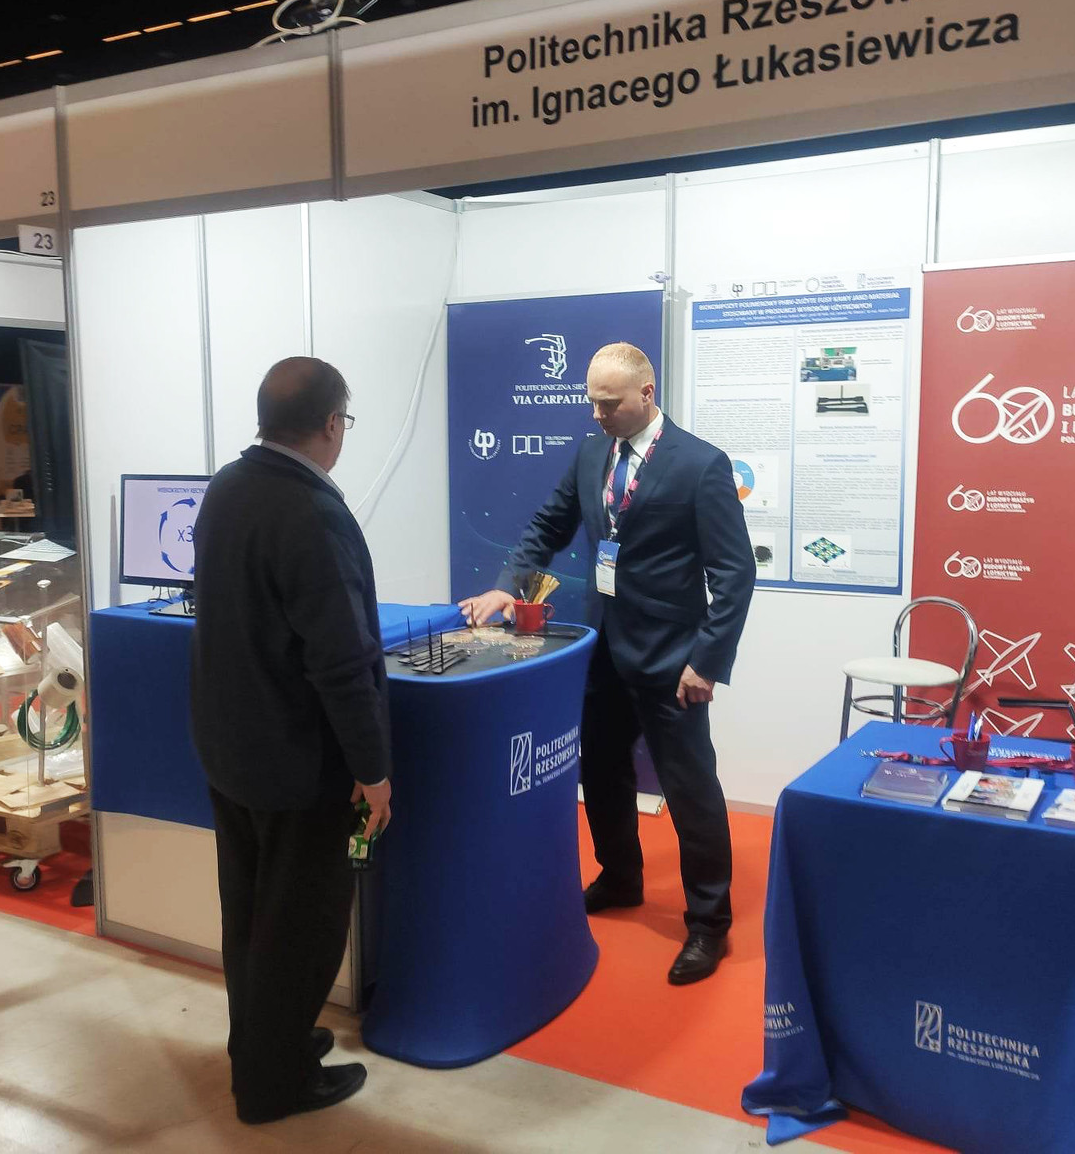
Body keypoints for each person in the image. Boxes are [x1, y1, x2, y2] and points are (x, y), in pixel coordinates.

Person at [459, 342, 755, 986]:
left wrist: (707, 661)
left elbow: (735, 574)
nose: (597, 414)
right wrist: (508, 585)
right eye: (591, 402)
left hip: (674, 661)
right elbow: (548, 525)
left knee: (690, 790)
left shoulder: (701, 464)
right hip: (604, 649)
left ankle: (709, 921)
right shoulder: (593, 453)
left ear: (646, 393)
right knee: (603, 772)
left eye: (609, 403)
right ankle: (620, 877)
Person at [190, 357, 393, 1125]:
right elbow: (341, 661)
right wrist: (372, 769)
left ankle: (260, 1048)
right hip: (301, 763)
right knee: (301, 928)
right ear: (333, 424)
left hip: (232, 750)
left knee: (249, 917)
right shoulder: (312, 512)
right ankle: (274, 1086)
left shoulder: (228, 488)